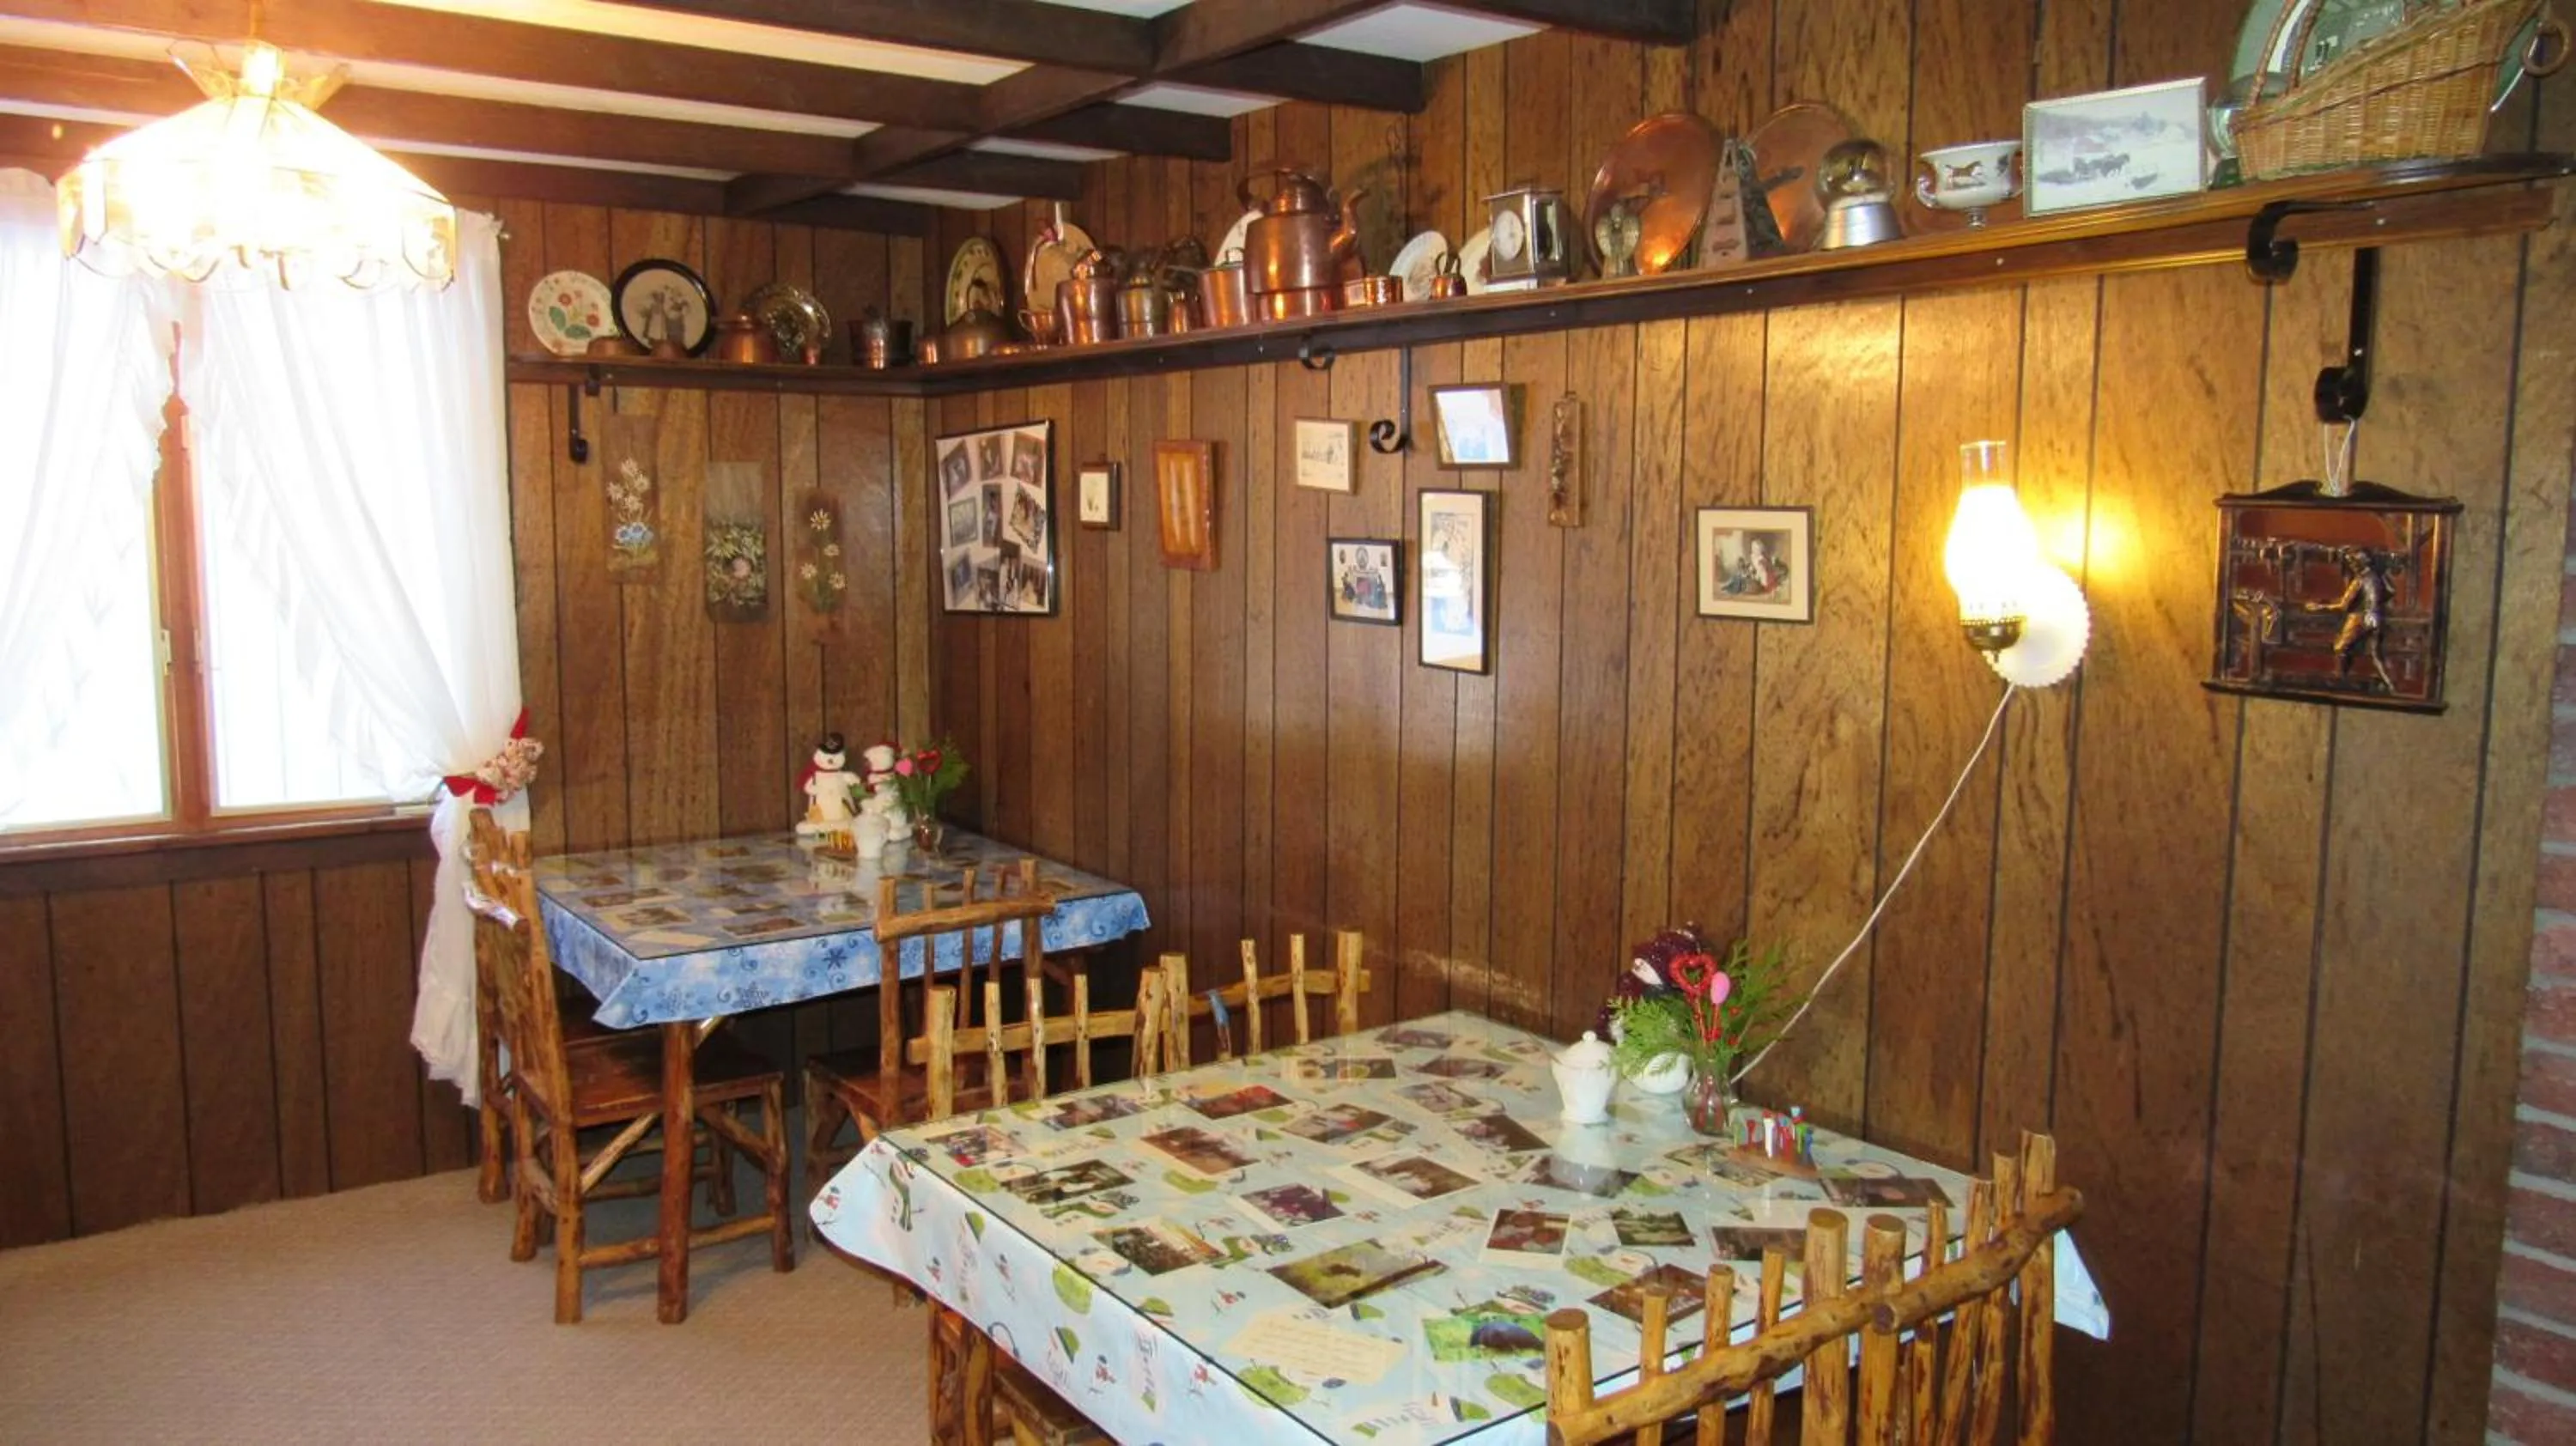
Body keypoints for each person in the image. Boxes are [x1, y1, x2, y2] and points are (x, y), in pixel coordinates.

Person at [2306, 544, 2394, 691]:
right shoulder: (2376, 577)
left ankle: (2342, 680)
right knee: (2377, 654)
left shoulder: (2359, 581)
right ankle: (2390, 684)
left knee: (2341, 647)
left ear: (2361, 562)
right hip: (2376, 618)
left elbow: (2343, 606)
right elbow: (2390, 592)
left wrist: (2319, 607)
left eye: (2353, 562)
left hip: (2360, 618)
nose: (2351, 565)